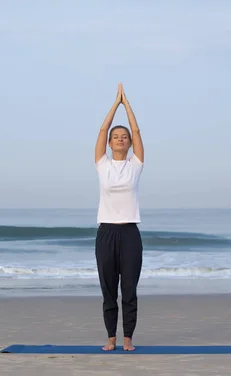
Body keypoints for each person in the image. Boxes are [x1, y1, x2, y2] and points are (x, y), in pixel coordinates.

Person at [94, 83, 145, 351]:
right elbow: (102, 130)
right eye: (117, 136)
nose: (121, 138)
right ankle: (111, 338)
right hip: (106, 233)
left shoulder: (135, 166)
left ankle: (128, 339)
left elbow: (137, 131)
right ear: (111, 143)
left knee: (129, 289)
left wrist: (129, 106)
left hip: (129, 233)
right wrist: (115, 104)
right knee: (108, 289)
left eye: (124, 136)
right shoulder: (102, 165)